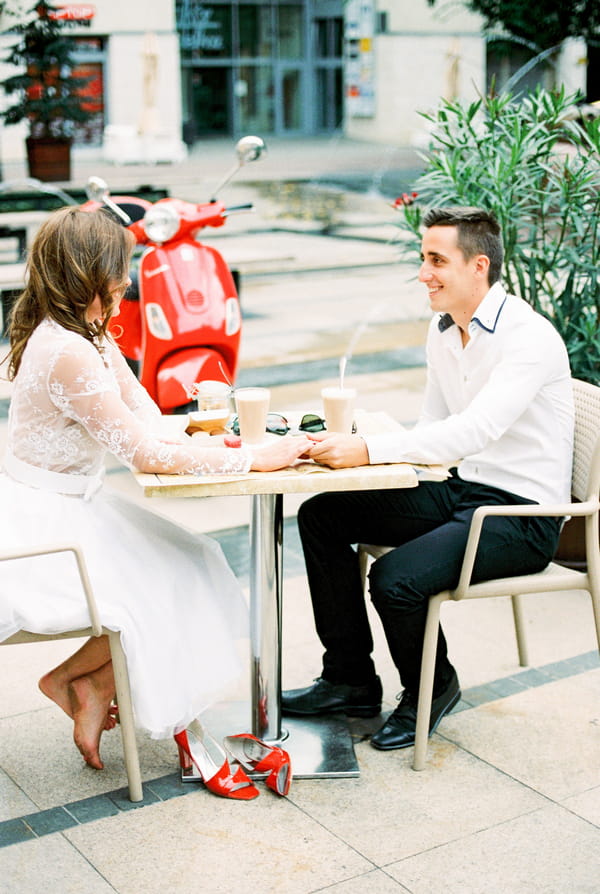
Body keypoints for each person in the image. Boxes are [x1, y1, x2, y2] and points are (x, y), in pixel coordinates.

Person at [0, 206, 309, 795]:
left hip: (72, 503)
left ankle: (84, 683)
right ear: (92, 273)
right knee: (171, 578)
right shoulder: (67, 348)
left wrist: (228, 439)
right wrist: (252, 459)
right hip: (45, 525)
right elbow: (144, 454)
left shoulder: (85, 332)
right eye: (122, 269)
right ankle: (185, 735)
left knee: (187, 561)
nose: (129, 279)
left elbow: (145, 416)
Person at [282, 207, 574, 751]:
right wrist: (363, 455)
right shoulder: (444, 332)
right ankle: (350, 680)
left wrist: (368, 449)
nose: (424, 273)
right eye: (423, 259)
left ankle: (433, 688)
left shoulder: (527, 338)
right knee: (323, 514)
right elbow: (435, 428)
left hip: (521, 515)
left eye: (437, 260)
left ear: (478, 266)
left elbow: (474, 430)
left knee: (395, 580)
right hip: (461, 488)